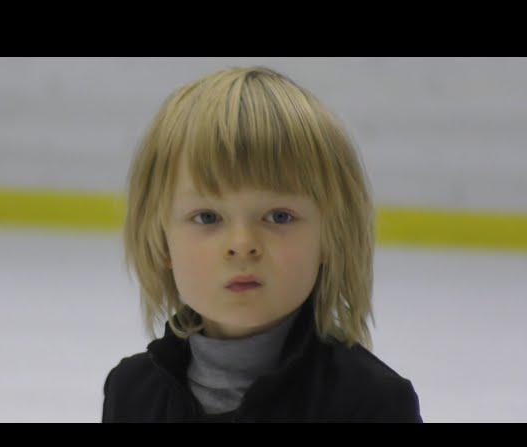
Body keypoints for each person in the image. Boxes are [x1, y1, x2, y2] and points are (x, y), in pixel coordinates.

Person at [102, 65, 422, 422]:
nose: (242, 245)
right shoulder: (130, 394)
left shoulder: (371, 404)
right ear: (161, 242)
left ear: (332, 237)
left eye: (278, 217)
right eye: (208, 217)